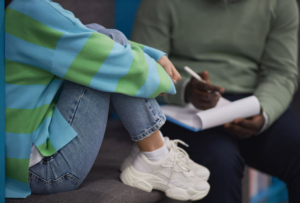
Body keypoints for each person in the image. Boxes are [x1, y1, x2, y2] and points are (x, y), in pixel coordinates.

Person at [5, 0, 210, 201]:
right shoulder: (30, 8)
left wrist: (152, 55)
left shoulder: (15, 10)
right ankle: (156, 156)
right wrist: (161, 78)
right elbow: (101, 51)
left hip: (20, 160)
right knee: (105, 55)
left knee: (107, 40)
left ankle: (154, 154)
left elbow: (83, 34)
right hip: (42, 172)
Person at [131, 0, 300, 202]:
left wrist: (263, 113)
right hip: (182, 106)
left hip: (254, 99)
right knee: (220, 163)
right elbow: (143, 69)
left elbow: (281, 72)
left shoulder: (281, 4)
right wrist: (184, 90)